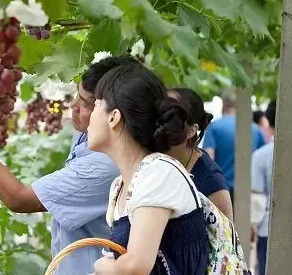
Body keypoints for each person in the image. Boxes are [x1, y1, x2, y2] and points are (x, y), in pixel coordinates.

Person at [0, 56, 139, 275]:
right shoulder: (96, 136)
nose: (73, 104)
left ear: (114, 116)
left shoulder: (104, 165)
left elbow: (19, 199)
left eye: (85, 103)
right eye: (77, 95)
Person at [89, 62, 209, 275]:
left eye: (96, 104)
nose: (89, 117)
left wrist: (104, 267)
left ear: (114, 117)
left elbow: (137, 265)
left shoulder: (158, 173)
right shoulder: (121, 185)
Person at [252, 100, 292, 275]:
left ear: (268, 122)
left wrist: (253, 226)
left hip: (269, 229)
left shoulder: (260, 156)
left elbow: (257, 197)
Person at [167, 88, 233, 220]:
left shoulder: (212, 183)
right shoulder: (154, 160)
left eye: (171, 115)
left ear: (191, 130)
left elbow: (226, 237)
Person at [203, 93, 266, 199]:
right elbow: (261, 159)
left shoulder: (214, 127)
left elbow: (209, 158)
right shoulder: (255, 129)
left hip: (222, 188)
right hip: (248, 188)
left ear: (224, 108)